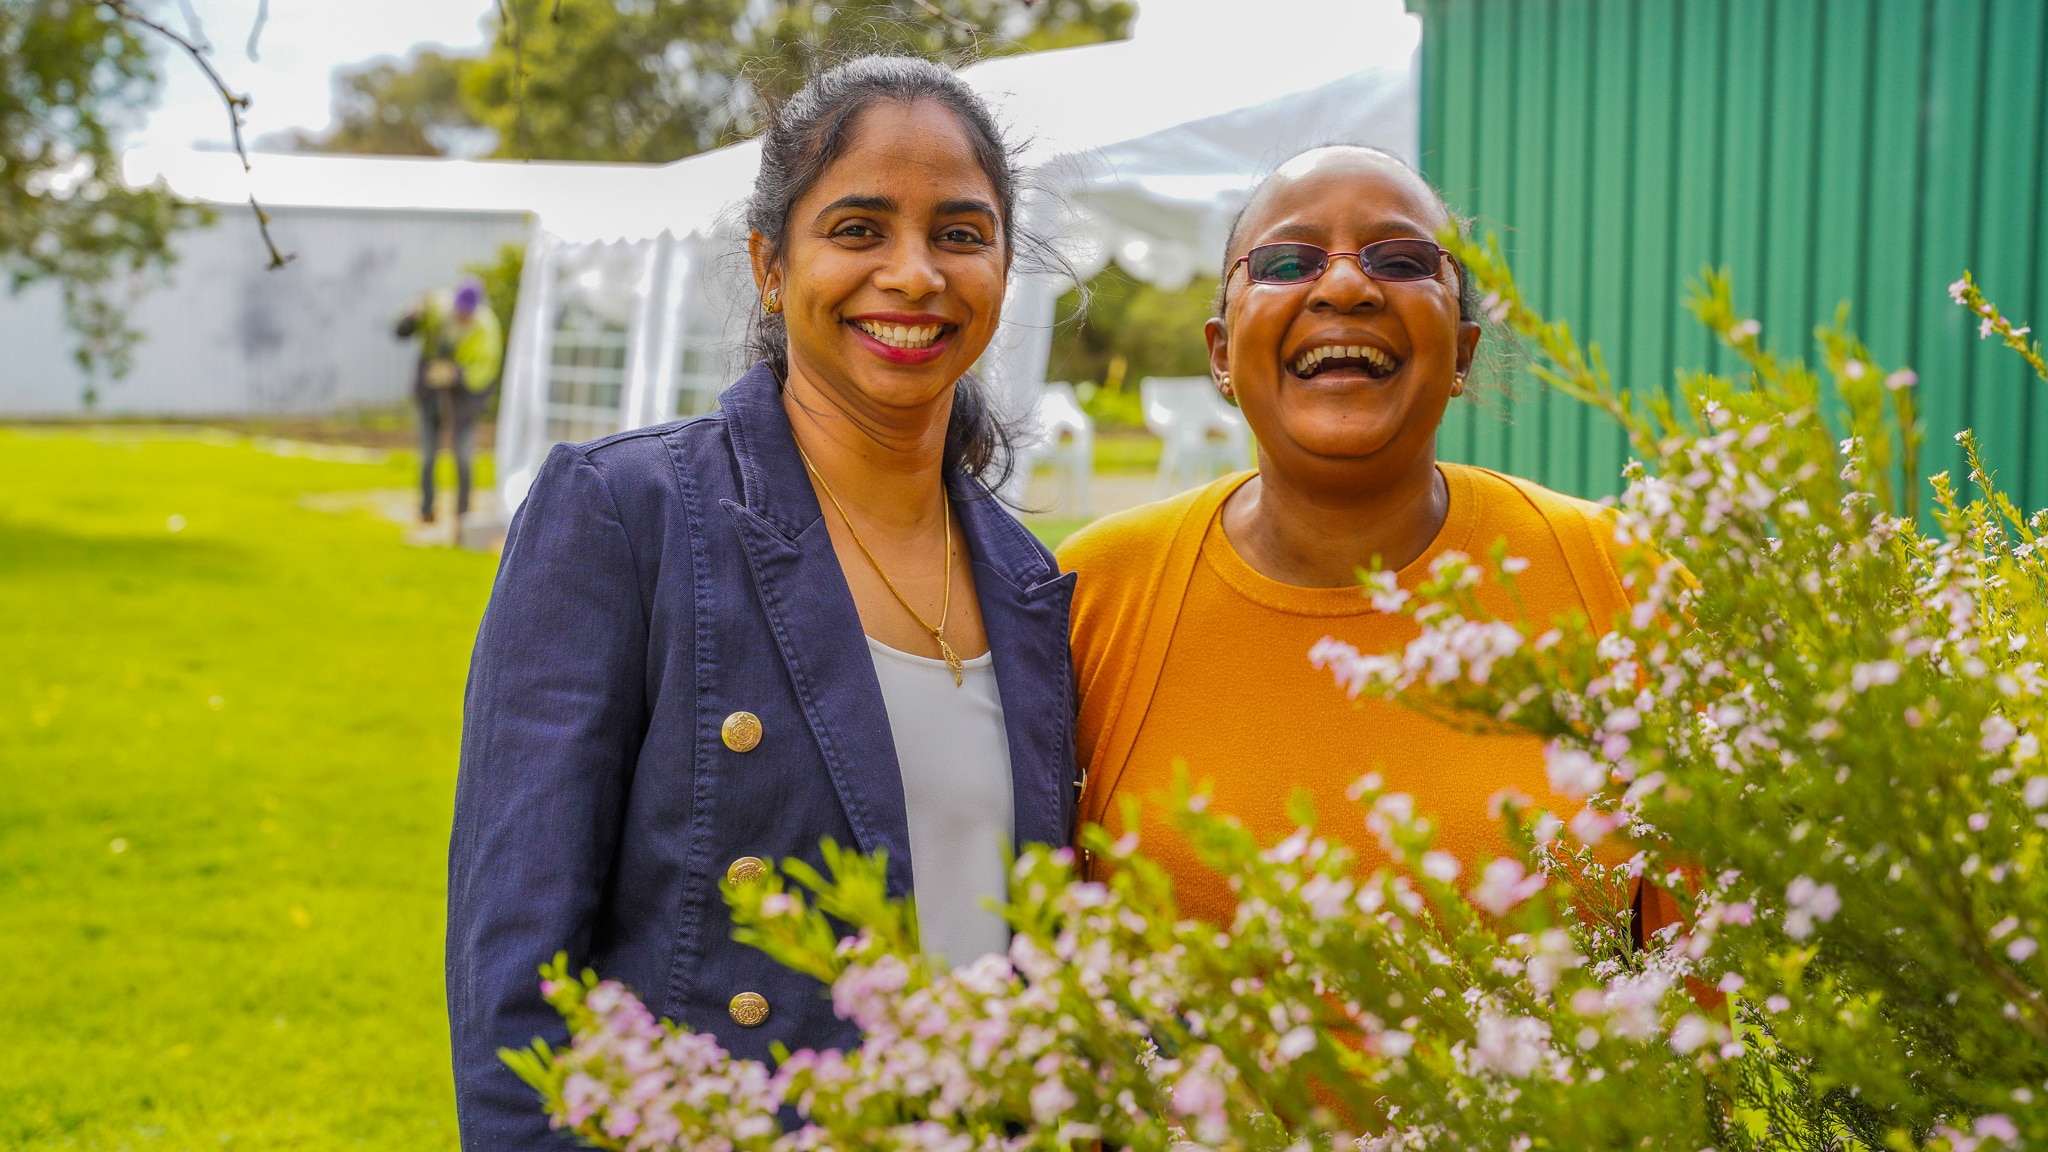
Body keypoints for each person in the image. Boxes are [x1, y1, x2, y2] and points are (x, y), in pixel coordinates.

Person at [446, 57, 1078, 1149]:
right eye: (858, 229)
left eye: (960, 234)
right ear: (770, 265)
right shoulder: (626, 514)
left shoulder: (1029, 582)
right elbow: (517, 987)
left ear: (1003, 271)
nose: (914, 273)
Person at [1057, 145, 1680, 935]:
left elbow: (1718, 970)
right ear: (1221, 353)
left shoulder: (1625, 582)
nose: (1346, 286)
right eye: (1288, 262)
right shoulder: (1090, 595)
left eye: (1403, 260)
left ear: (1462, 350)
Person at [396, 278, 503, 523]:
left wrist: (456, 375)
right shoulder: (436, 307)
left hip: (464, 400)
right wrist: (413, 315)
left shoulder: (486, 328)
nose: (462, 317)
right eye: (459, 311)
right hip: (430, 393)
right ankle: (426, 509)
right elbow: (402, 331)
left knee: (463, 458)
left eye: (467, 314)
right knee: (428, 456)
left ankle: (462, 514)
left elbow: (486, 369)